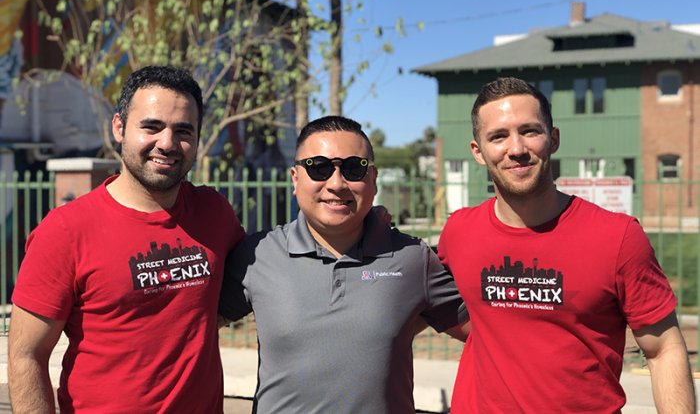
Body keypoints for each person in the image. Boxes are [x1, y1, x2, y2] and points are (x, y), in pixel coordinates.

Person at [438, 76, 696, 412]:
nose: (516, 149)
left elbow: (663, 350)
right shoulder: (458, 231)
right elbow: (423, 299)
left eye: (530, 131)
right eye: (498, 136)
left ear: (553, 138)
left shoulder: (617, 237)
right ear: (478, 152)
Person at [8, 66, 245, 413]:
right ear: (118, 127)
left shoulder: (214, 213)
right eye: (151, 126)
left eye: (183, 130)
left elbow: (248, 280)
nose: (167, 143)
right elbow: (26, 356)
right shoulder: (65, 230)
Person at [219, 115, 467, 414]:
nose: (336, 184)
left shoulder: (413, 258)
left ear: (372, 180)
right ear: (295, 179)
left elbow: (492, 333)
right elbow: (187, 329)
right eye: (319, 168)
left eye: (353, 169)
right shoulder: (257, 254)